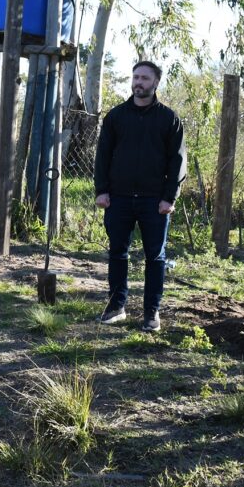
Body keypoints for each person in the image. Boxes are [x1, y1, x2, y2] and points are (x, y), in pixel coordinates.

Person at [93, 60, 186, 332]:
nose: (138, 82)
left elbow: (177, 162)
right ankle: (116, 306)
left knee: (155, 257)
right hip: (118, 198)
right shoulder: (116, 117)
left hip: (154, 201)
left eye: (145, 78)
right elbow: (102, 157)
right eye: (135, 77)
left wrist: (169, 198)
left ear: (155, 83)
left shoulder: (169, 119)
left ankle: (151, 312)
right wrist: (102, 190)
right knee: (117, 253)